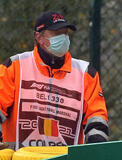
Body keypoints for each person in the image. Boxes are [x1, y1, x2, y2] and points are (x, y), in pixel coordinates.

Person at [0, 11, 108, 150]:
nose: (63, 38)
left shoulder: (86, 73)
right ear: (39, 37)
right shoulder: (14, 66)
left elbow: (96, 117)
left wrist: (95, 151)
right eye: (57, 34)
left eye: (66, 33)